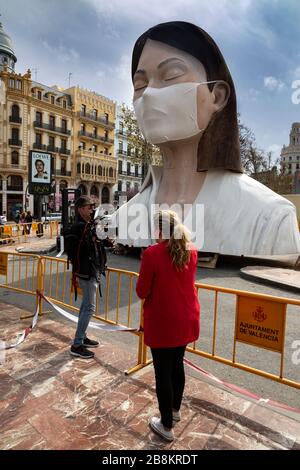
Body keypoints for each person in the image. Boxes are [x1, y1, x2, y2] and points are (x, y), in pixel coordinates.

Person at [112, 21, 300, 256]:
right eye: (140, 85)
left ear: (217, 96)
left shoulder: (271, 218)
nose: (148, 94)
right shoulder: (124, 217)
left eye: (170, 74)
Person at [136, 210, 200, 442]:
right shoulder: (190, 250)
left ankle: (166, 426)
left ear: (160, 229)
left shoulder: (153, 254)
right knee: (176, 366)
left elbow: (142, 290)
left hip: (163, 320)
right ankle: (175, 410)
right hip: (186, 318)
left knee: (162, 372)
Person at [67, 195, 112, 359]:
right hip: (87, 271)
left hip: (92, 270)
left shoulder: (88, 225)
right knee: (89, 308)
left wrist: (106, 239)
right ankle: (77, 344)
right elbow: (78, 250)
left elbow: (100, 242)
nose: (92, 209)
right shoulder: (78, 227)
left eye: (92, 207)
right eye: (89, 207)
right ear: (80, 209)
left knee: (85, 305)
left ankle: (82, 337)